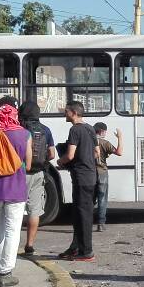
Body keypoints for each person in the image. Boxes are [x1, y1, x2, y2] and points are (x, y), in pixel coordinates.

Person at [0, 103, 32, 287]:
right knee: (12, 230)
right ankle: (6, 272)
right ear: (15, 115)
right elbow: (29, 162)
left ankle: (0, 269)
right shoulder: (24, 134)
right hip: (15, 188)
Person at [56, 101, 98, 262]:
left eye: (66, 111)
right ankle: (76, 247)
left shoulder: (75, 129)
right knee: (79, 213)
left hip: (81, 177)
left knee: (83, 215)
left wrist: (61, 161)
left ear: (73, 112)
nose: (64, 113)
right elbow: (96, 153)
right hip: (91, 176)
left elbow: (70, 155)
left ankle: (86, 252)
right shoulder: (90, 128)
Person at [18, 101, 57, 256]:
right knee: (34, 211)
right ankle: (30, 245)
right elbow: (52, 154)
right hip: (38, 173)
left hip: (20, 173)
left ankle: (13, 245)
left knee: (15, 209)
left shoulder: (20, 129)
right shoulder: (45, 130)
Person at [92, 122, 124, 232]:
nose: (106, 133)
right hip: (102, 173)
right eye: (105, 131)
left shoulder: (88, 141)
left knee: (89, 200)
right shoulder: (105, 143)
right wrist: (120, 138)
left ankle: (85, 223)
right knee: (102, 199)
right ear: (101, 131)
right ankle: (101, 224)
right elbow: (119, 152)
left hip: (89, 173)